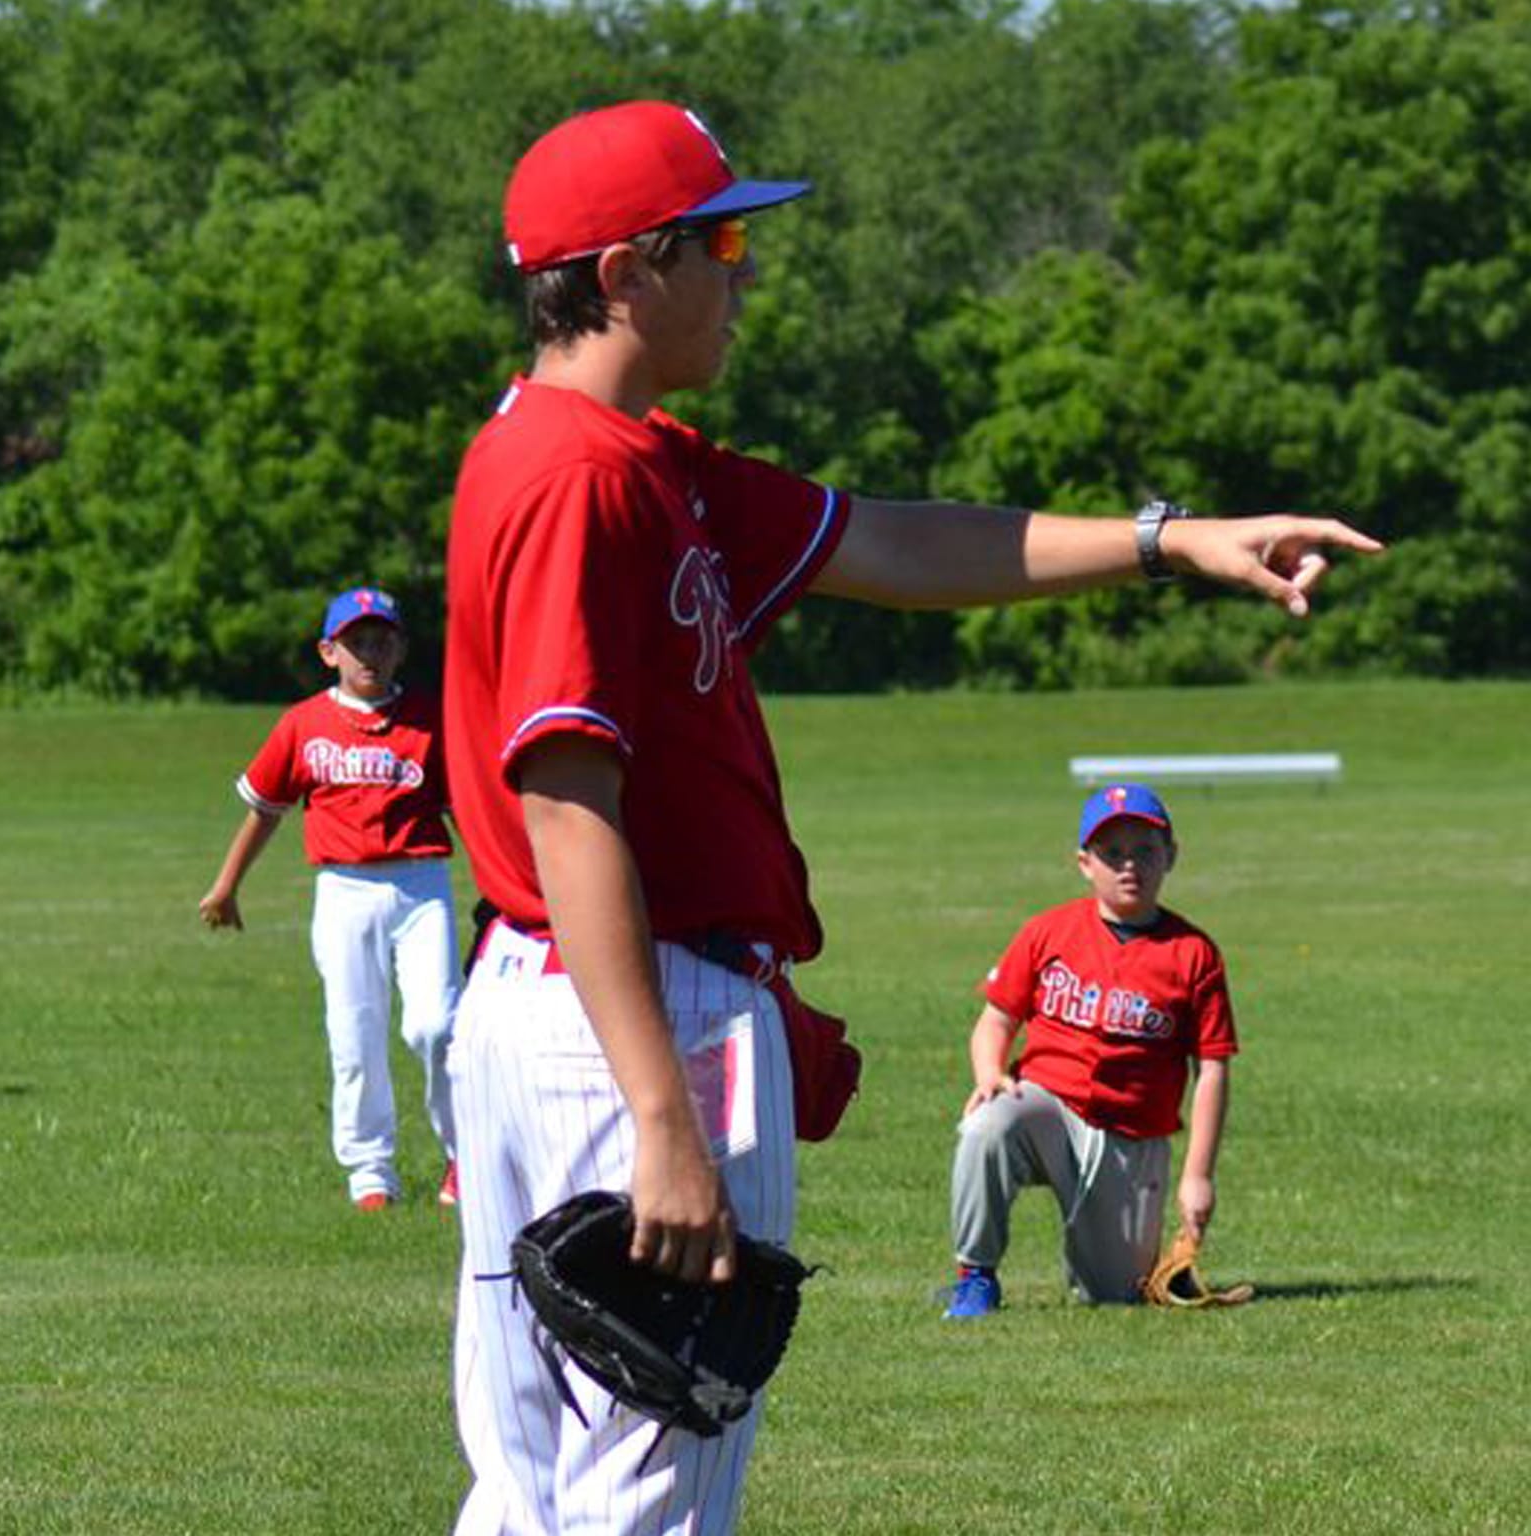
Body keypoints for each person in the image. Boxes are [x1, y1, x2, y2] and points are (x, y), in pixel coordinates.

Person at [442, 98, 1381, 1536]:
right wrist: (660, 1113)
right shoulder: (578, 477)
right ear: (628, 271)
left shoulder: (632, 459)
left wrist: (1168, 540)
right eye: (725, 240)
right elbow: (568, 800)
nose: (747, 272)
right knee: (652, 1488)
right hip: (630, 1018)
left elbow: (888, 538)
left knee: (532, 1488)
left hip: (558, 1003)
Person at [200, 586, 459, 1211]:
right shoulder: (303, 724)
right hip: (343, 889)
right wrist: (227, 885)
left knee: (437, 1026)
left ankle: (463, 1155)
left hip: (422, 886)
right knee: (354, 1030)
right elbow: (265, 810)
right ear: (328, 651)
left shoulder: (431, 720)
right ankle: (370, 1169)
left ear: (400, 648)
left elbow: (470, 813)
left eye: (382, 639)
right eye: (355, 642)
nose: (369, 652)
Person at [942, 783, 1233, 1318]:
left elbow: (1211, 1068)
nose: (1129, 866)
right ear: (1084, 863)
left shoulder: (1194, 954)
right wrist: (988, 1073)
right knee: (988, 1125)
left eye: (1145, 850)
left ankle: (1110, 1266)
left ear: (1171, 855)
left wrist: (1197, 1176)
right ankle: (974, 1277)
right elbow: (997, 1017)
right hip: (1046, 1106)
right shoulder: (1049, 930)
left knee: (1115, 1296)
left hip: (1131, 1133)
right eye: (1112, 853)